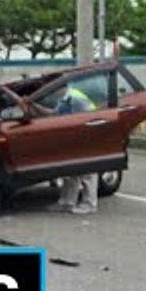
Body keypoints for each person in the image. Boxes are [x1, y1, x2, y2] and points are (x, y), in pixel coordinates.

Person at [45, 84, 100, 215]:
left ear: (59, 87)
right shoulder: (65, 98)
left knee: (87, 172)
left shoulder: (74, 97)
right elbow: (55, 115)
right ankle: (67, 202)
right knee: (71, 172)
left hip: (86, 137)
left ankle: (90, 204)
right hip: (74, 139)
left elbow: (91, 116)